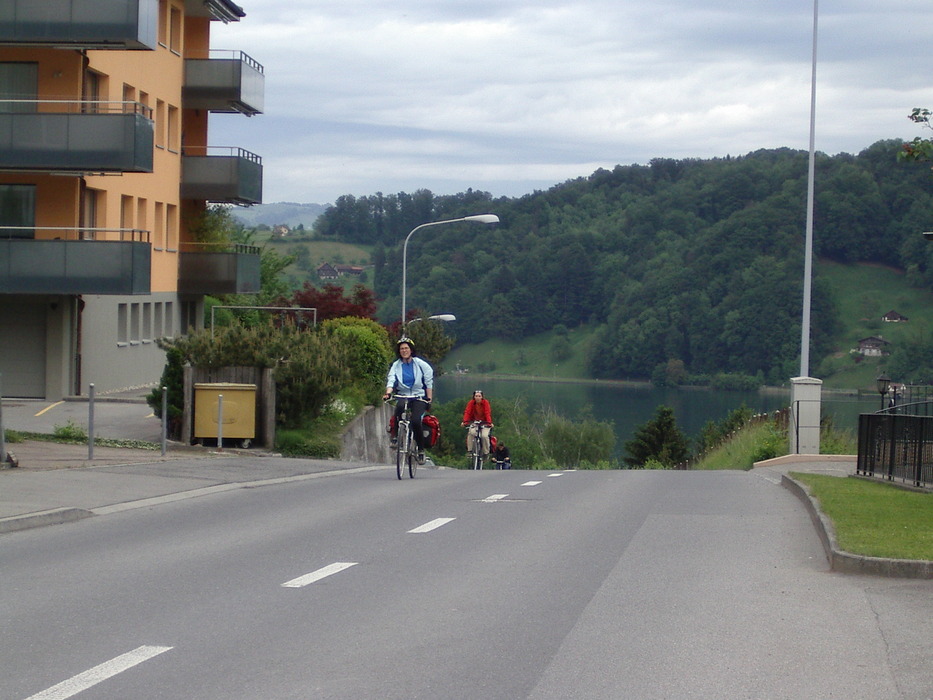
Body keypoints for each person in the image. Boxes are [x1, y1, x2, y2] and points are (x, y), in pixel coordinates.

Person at [383, 337, 434, 464]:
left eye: (406, 348)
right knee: (399, 409)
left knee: (416, 421)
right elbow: (391, 379)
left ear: (411, 350)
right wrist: (388, 393)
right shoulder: (396, 365)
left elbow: (428, 381)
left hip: (419, 396)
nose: (404, 350)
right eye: (401, 349)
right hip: (403, 395)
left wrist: (429, 398)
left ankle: (421, 450)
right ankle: (395, 437)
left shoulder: (420, 364)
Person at [461, 389, 493, 459]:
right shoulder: (471, 403)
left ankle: (486, 453)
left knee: (484, 436)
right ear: (474, 397)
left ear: (482, 397)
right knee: (471, 433)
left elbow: (487, 413)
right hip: (475, 422)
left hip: (484, 422)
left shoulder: (485, 403)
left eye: (479, 396)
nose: (477, 397)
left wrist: (489, 423)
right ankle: (469, 451)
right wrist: (465, 422)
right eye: (476, 396)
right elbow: (467, 412)